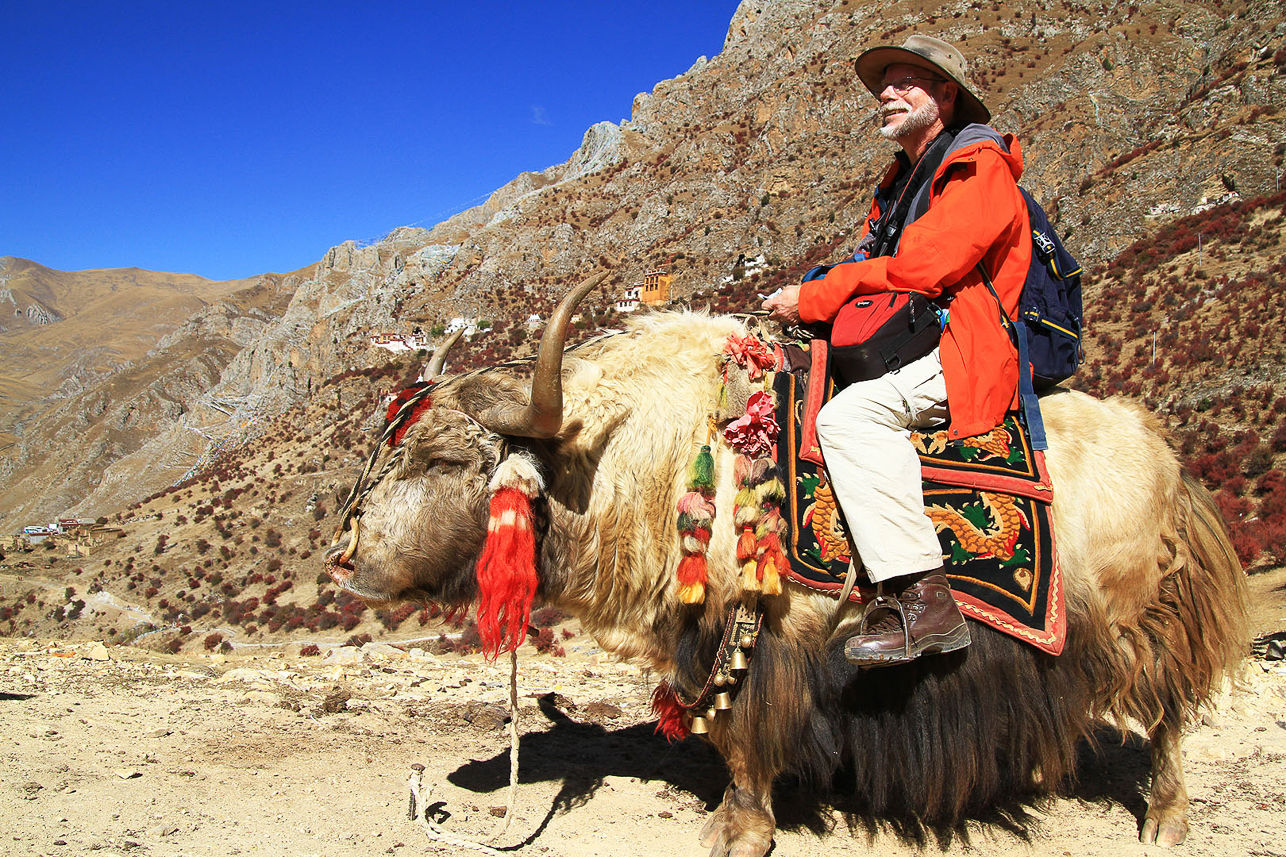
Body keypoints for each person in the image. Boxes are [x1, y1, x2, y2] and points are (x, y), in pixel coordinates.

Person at [763, 35, 1032, 666]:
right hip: (916, 346)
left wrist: (813, 297)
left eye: (906, 81)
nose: (886, 92)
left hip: (966, 347)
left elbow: (924, 268)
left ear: (945, 96)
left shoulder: (976, 163)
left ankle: (924, 599)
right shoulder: (901, 184)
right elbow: (874, 267)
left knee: (848, 420)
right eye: (884, 84)